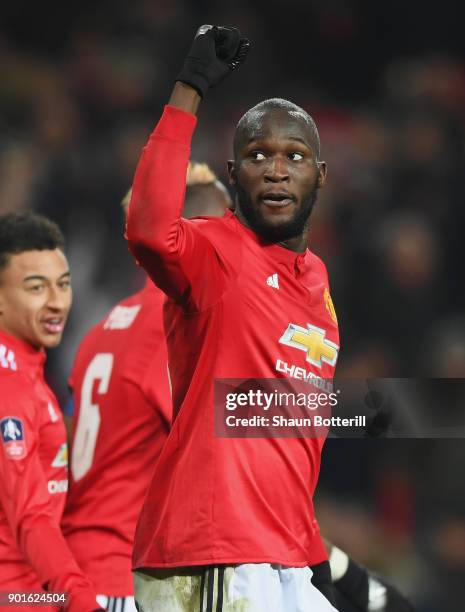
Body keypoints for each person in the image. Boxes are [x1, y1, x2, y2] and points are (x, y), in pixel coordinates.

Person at [126, 24, 339, 612]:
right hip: (214, 551)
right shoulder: (215, 252)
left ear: (320, 176)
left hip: (285, 559)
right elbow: (147, 229)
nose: (275, 169)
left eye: (293, 157)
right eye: (257, 156)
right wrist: (190, 87)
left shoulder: (317, 282)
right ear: (233, 172)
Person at [61, 163, 231, 611]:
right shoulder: (174, 325)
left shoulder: (99, 332)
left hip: (74, 571)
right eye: (231, 224)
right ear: (202, 233)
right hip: (121, 584)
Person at [0, 212, 103, 612]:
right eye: (36, 288)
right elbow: (30, 516)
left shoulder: (29, 376)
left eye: (63, 285)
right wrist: (80, 601)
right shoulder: (10, 390)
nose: (57, 302)